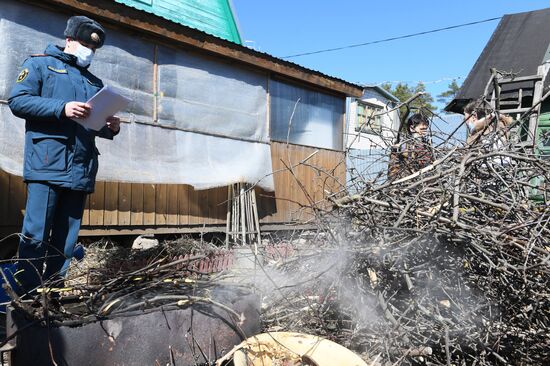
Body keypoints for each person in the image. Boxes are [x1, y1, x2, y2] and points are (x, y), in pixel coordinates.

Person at [8, 16, 120, 296]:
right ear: (69, 40)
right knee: (35, 235)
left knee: (66, 241)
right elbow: (18, 100)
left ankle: (53, 294)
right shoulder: (39, 64)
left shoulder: (94, 81)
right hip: (47, 164)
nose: (88, 51)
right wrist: (62, 107)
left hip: (81, 168)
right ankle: (26, 298)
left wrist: (110, 127)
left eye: (93, 49)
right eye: (84, 44)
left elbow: (92, 124)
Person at [388, 113, 434, 179]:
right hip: (407, 181)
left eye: (425, 129)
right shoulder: (402, 145)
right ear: (412, 128)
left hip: (425, 181)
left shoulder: (427, 145)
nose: (425, 132)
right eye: (422, 129)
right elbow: (393, 168)